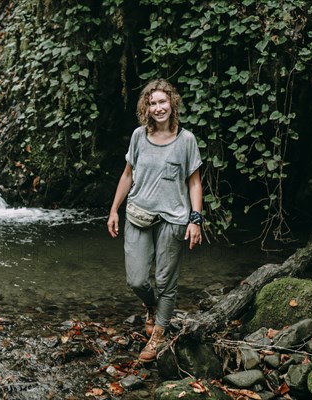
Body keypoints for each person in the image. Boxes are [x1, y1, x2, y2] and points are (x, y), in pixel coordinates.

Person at [107, 78, 203, 362]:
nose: (158, 108)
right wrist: (114, 209)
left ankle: (158, 334)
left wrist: (195, 219)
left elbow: (194, 183)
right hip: (138, 214)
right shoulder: (138, 136)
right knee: (136, 280)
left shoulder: (186, 140)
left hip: (173, 219)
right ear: (146, 108)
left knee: (165, 280)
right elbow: (128, 174)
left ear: (172, 103)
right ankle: (151, 307)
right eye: (152, 103)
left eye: (163, 102)